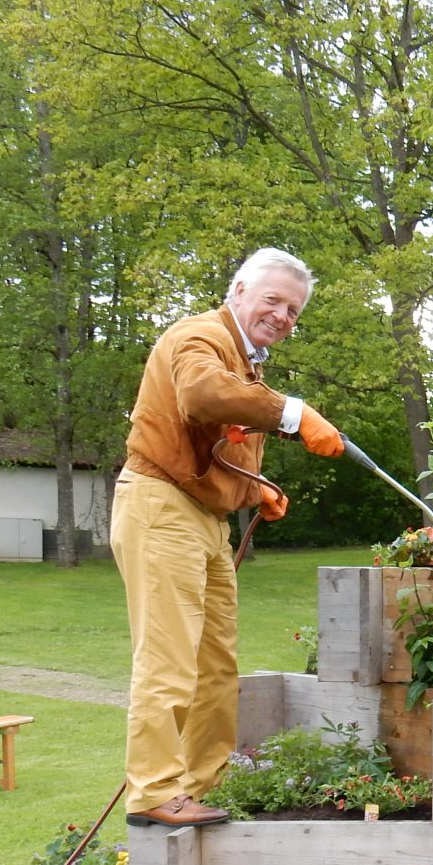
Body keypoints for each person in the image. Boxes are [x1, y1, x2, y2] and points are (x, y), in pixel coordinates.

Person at [111, 248, 345, 827]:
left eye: (293, 310)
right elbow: (200, 396)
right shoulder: (200, 337)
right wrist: (292, 412)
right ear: (238, 291)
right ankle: (153, 791)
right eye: (273, 299)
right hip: (162, 507)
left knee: (215, 666)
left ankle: (205, 784)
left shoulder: (243, 362)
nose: (282, 315)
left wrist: (253, 488)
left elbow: (216, 441)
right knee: (169, 657)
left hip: (205, 519)